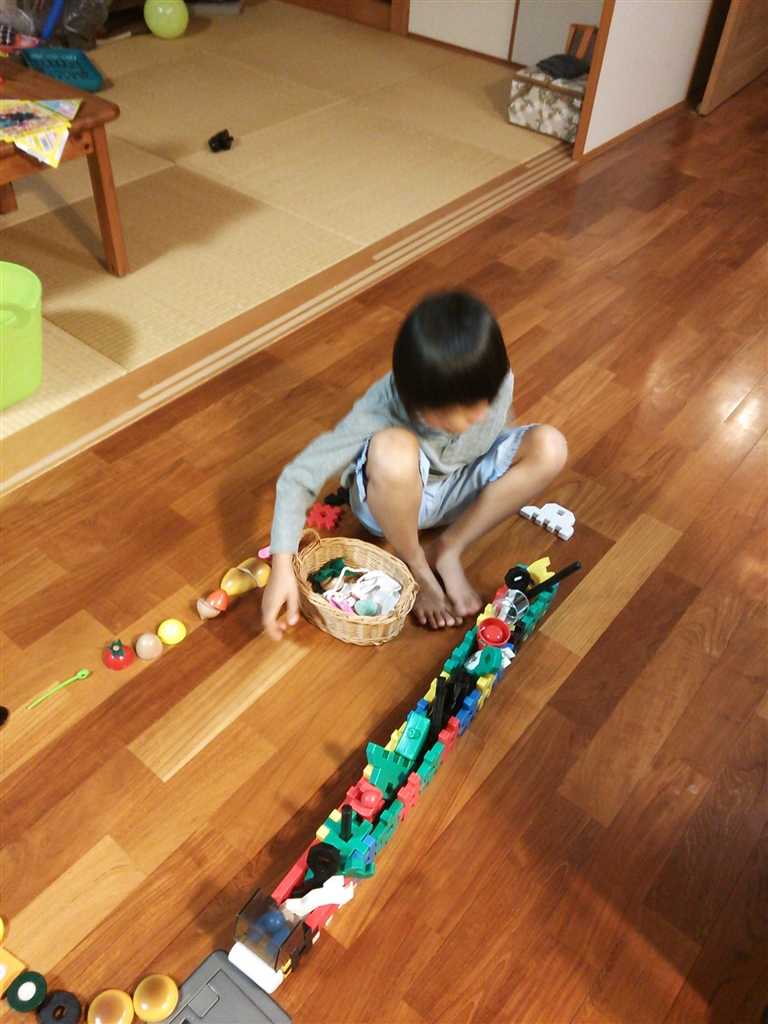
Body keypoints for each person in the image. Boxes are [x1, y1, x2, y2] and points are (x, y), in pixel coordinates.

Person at [262, 291, 567, 639]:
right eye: (460, 414)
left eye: (485, 402)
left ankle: (448, 548)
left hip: (458, 491)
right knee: (392, 449)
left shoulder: (490, 380)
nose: (482, 415)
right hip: (390, 506)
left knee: (550, 446)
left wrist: (507, 472)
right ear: (419, 405)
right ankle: (417, 567)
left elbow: (501, 437)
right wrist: (282, 566)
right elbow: (298, 478)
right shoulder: (381, 408)